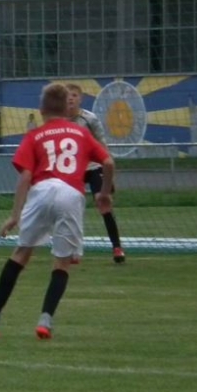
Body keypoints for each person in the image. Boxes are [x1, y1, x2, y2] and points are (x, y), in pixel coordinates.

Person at [0, 83, 114, 339]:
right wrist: (104, 193)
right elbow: (108, 162)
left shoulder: (35, 136)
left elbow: (25, 176)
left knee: (21, 254)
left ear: (41, 110)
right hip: (71, 194)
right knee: (63, 262)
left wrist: (15, 215)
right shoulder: (81, 133)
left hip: (41, 191)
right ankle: (45, 320)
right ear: (66, 109)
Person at [65, 83, 125, 264]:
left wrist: (109, 175)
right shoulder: (58, 120)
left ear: (80, 99)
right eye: (67, 95)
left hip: (93, 167)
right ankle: (71, 249)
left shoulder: (89, 119)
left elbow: (102, 145)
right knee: (68, 207)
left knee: (103, 203)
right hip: (72, 169)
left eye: (74, 95)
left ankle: (117, 247)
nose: (70, 98)